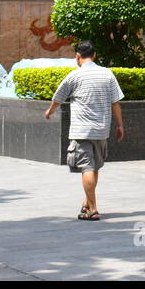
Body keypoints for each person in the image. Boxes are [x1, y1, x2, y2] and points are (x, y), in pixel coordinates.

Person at [43, 41, 124, 221]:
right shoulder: (107, 74)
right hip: (102, 129)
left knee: (87, 167)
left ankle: (93, 209)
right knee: (94, 167)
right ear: (94, 55)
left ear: (78, 57)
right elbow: (115, 103)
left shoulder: (74, 76)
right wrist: (119, 125)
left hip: (82, 131)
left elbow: (58, 98)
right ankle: (87, 204)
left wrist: (49, 111)